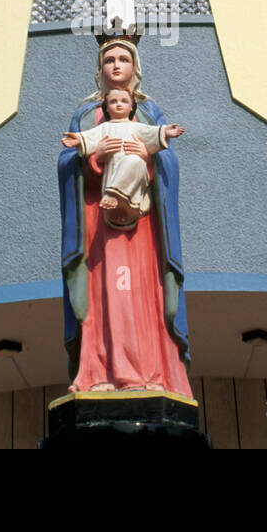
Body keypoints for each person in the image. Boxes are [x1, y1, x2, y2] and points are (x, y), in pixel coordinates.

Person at [57, 36, 193, 395]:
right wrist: (94, 155)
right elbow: (67, 163)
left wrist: (146, 155)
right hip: (100, 228)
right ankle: (98, 374)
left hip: (143, 229)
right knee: (105, 296)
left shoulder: (149, 113)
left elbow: (169, 163)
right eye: (109, 60)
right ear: (100, 69)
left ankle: (153, 373)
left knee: (141, 294)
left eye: (123, 59)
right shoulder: (87, 116)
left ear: (135, 68)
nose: (116, 66)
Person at [60, 87, 185, 228]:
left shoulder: (137, 127)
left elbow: (152, 133)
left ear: (132, 106)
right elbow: (89, 137)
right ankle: (122, 200)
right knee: (130, 163)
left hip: (136, 175)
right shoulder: (104, 128)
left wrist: (165, 131)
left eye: (124, 101)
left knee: (135, 161)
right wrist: (77, 140)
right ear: (106, 107)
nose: (119, 104)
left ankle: (114, 195)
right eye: (113, 101)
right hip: (112, 174)